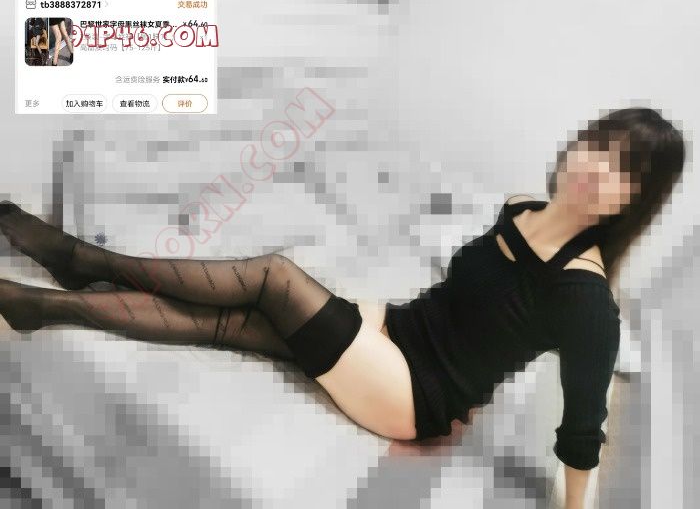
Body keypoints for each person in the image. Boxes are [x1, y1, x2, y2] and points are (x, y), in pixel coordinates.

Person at [0, 107, 686, 507]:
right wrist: (382, 317)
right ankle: (43, 306)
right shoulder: (520, 208)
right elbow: (462, 303)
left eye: (624, 170)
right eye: (599, 146)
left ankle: (81, 262)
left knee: (273, 279)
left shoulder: (586, 300)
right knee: (236, 323)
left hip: (414, 396)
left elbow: (582, 430)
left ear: (635, 199)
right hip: (398, 331)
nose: (597, 168)